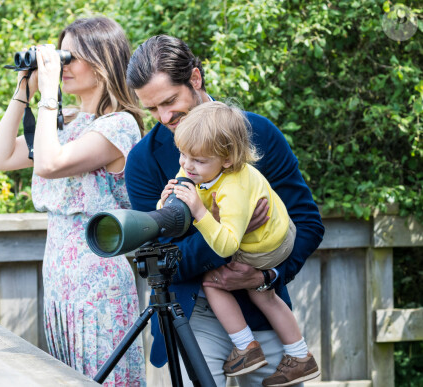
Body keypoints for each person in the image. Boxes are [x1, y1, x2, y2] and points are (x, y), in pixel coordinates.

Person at [124, 35, 324, 387]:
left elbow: (307, 223)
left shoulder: (257, 132)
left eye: (170, 101)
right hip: (189, 312)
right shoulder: (142, 160)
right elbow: (153, 258)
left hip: (262, 307)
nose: (165, 117)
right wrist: (228, 229)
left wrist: (266, 277)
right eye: (152, 109)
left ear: (196, 79)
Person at [0, 17, 146, 386]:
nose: (64, 67)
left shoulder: (118, 126)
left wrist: (48, 95)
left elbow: (49, 163)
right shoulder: (67, 123)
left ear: (102, 60)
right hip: (59, 277)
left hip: (97, 280)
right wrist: (23, 89)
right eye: (62, 58)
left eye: (70, 58)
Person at [159, 101, 320, 386]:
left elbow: (225, 248)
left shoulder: (233, 189)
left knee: (212, 280)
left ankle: (246, 346)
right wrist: (166, 201)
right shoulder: (210, 168)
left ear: (227, 159)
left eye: (197, 160)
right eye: (182, 154)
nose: (186, 165)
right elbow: (182, 198)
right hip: (273, 232)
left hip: (267, 246)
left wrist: (200, 213)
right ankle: (299, 355)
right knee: (263, 295)